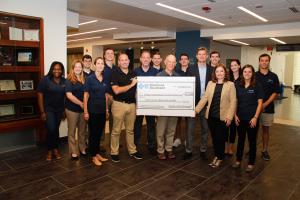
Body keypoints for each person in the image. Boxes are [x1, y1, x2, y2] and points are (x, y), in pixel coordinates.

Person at [195, 64, 236, 168]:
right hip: (211, 116)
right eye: (217, 71)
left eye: (221, 71)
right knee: (214, 138)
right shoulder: (210, 83)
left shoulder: (230, 85)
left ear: (225, 72)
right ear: (215, 73)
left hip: (223, 117)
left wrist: (230, 117)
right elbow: (205, 98)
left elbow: (233, 102)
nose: (219, 73)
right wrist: (196, 110)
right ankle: (216, 156)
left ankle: (220, 157)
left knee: (221, 138)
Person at [110, 52, 142, 162]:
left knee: (130, 130)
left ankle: (132, 150)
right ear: (118, 62)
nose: (124, 62)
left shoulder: (133, 73)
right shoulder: (114, 73)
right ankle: (114, 152)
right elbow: (116, 90)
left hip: (132, 105)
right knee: (116, 130)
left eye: (126, 60)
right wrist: (131, 85)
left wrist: (138, 105)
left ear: (129, 61)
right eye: (121, 60)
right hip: (119, 104)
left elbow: (137, 91)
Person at [184, 47, 213, 160]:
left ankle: (203, 149)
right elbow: (186, 87)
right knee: (190, 129)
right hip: (193, 105)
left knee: (205, 129)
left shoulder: (212, 69)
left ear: (206, 56)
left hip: (206, 105)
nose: (201, 56)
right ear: (196, 56)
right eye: (199, 54)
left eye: (203, 54)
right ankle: (188, 150)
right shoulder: (190, 69)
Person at [233, 65, 264, 172]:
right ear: (242, 73)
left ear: (252, 73)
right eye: (245, 72)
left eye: (249, 72)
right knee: (240, 140)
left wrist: (255, 117)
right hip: (240, 118)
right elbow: (235, 101)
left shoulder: (257, 85)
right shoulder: (238, 85)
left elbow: (260, 103)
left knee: (252, 141)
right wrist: (235, 115)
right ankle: (238, 160)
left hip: (252, 119)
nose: (247, 74)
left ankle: (251, 163)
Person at [37, 61, 66, 161]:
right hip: (48, 109)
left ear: (62, 70)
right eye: (55, 69)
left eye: (59, 69)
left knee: (55, 129)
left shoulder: (64, 81)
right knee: (51, 129)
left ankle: (55, 149)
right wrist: (42, 112)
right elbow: (40, 96)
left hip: (59, 110)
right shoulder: (45, 80)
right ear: (51, 69)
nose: (57, 71)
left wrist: (64, 111)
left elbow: (64, 97)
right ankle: (50, 150)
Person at [83, 57, 109, 166]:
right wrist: (85, 111)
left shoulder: (105, 78)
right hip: (92, 110)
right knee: (93, 134)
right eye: (98, 63)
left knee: (99, 133)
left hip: (102, 110)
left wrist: (107, 109)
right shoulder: (90, 78)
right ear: (95, 65)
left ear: (103, 65)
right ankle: (93, 156)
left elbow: (106, 96)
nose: (100, 65)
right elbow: (86, 95)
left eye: (102, 63)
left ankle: (97, 153)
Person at [255, 54, 280, 161]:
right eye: (262, 60)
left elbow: (275, 93)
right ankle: (252, 149)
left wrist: (265, 104)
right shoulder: (254, 75)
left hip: (268, 108)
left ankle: (265, 150)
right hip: (254, 108)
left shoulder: (273, 76)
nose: (264, 62)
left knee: (265, 130)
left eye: (266, 60)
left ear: (269, 62)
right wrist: (258, 105)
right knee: (253, 130)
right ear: (259, 62)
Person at [134, 50, 159, 155]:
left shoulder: (156, 72)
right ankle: (135, 145)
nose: (145, 59)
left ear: (150, 60)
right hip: (138, 104)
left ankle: (152, 145)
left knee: (151, 125)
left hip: (151, 104)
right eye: (143, 57)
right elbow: (132, 88)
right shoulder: (135, 71)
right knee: (137, 125)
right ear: (140, 59)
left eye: (148, 57)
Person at [156, 54, 179, 160]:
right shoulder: (159, 76)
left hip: (173, 109)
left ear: (175, 64)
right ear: (165, 62)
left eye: (173, 62)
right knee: (160, 131)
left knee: (171, 130)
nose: (171, 64)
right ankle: (160, 150)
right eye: (169, 61)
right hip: (162, 109)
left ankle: (169, 149)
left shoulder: (178, 77)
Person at [65, 60, 87, 159]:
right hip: (72, 109)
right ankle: (73, 151)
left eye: (80, 67)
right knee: (72, 131)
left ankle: (82, 148)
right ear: (73, 68)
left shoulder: (84, 79)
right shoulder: (69, 80)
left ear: (82, 68)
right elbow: (69, 95)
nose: (78, 68)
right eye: (76, 67)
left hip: (83, 110)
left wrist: (85, 105)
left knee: (82, 131)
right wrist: (81, 103)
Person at [173, 53, 190, 148]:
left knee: (189, 122)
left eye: (185, 59)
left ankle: (187, 139)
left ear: (188, 61)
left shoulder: (192, 71)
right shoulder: (175, 73)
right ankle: (177, 139)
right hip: (178, 101)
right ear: (179, 61)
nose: (183, 60)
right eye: (182, 59)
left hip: (188, 101)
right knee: (177, 121)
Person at [225, 59, 242, 156]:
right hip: (227, 106)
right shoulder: (228, 78)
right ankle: (225, 147)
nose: (233, 67)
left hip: (238, 107)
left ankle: (231, 147)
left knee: (233, 129)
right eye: (231, 65)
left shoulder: (243, 78)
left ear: (239, 66)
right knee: (225, 127)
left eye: (235, 65)